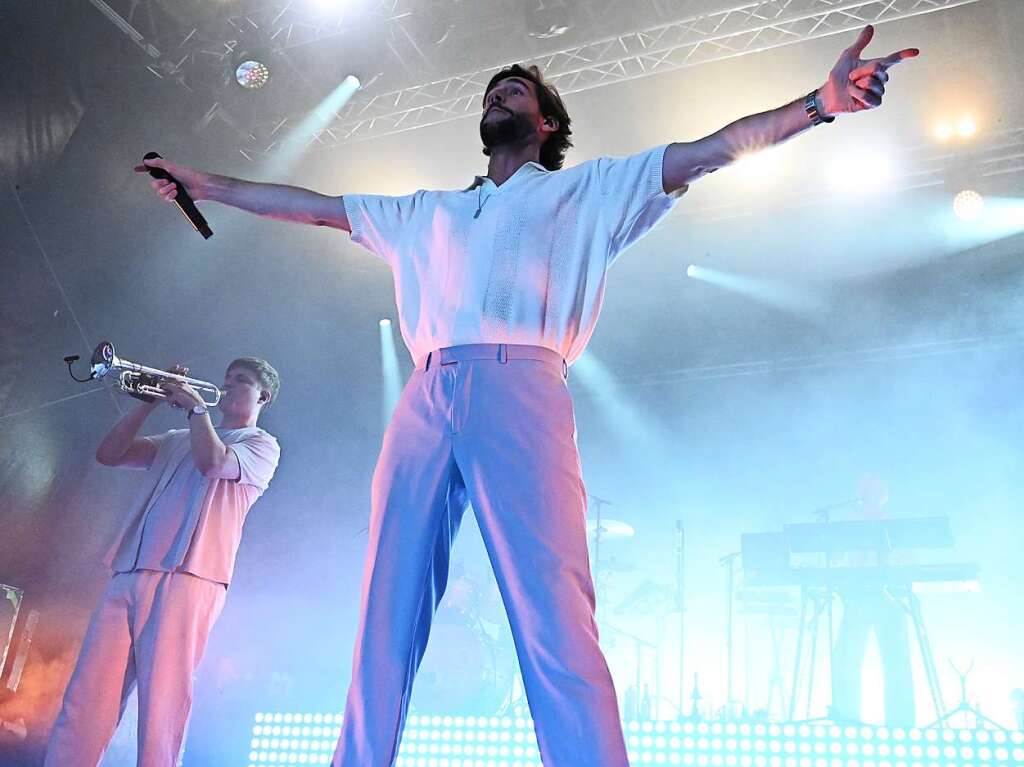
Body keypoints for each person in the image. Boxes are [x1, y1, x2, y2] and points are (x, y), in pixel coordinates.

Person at [138, 25, 917, 765]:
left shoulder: (591, 190)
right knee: (386, 610)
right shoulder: (427, 211)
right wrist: (203, 182)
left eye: (514, 90)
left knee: (553, 613)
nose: (497, 96)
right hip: (426, 391)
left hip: (523, 383)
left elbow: (711, 150)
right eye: (491, 90)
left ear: (545, 123)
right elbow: (310, 205)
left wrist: (819, 107)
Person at [45, 358, 281, 767]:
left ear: (264, 395)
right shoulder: (178, 437)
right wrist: (145, 402)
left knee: (162, 707)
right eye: (226, 379)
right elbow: (110, 454)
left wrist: (196, 408)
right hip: (131, 569)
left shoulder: (261, 445)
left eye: (240, 382)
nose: (226, 387)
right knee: (87, 696)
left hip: (191, 577)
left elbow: (215, 463)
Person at [829, 473, 916, 727]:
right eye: (864, 491)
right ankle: (847, 719)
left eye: (873, 492)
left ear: (882, 496)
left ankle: (901, 725)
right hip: (857, 596)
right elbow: (835, 557)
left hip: (888, 597)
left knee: (896, 660)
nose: (868, 497)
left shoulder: (893, 525)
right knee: (846, 658)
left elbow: (905, 561)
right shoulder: (848, 524)